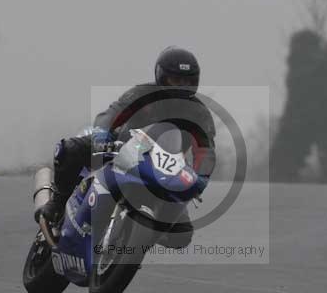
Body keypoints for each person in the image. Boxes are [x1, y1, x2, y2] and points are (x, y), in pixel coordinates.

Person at [35, 46, 216, 248]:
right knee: (70, 150)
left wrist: (200, 179)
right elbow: (113, 113)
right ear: (161, 76)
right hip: (121, 148)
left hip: (164, 169)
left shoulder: (199, 113)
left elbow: (205, 151)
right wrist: (103, 134)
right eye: (175, 80)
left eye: (187, 81)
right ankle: (57, 204)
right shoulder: (142, 93)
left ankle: (137, 242)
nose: (181, 86)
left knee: (181, 236)